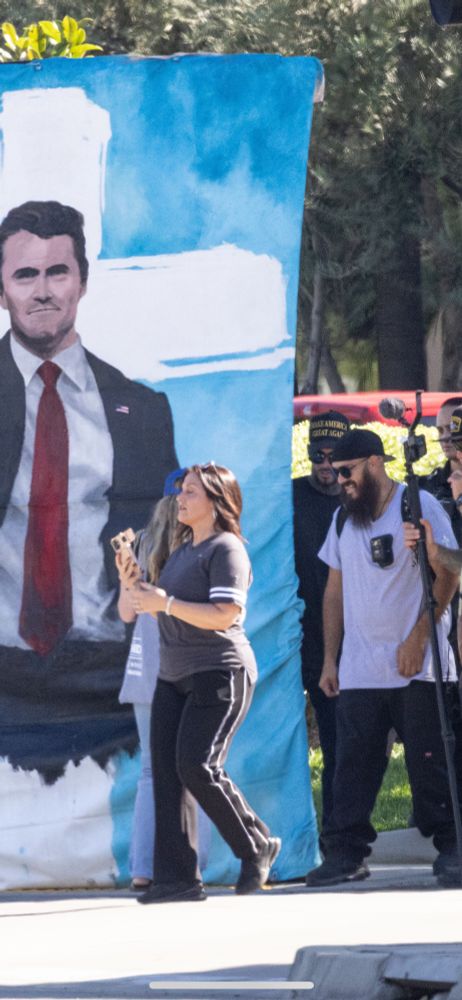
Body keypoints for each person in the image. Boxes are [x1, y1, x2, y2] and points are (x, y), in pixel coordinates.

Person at [0, 200, 178, 781]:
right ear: (2, 288)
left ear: (82, 281)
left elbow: (170, 537)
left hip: (110, 674)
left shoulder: (143, 410)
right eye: (25, 274)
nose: (43, 290)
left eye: (58, 271)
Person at [304, 429, 462, 889]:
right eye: (335, 473)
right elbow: (335, 590)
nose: (340, 480)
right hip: (360, 668)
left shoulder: (418, 506)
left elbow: (450, 573)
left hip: (420, 664)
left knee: (431, 765)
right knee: (353, 767)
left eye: (347, 471)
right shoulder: (341, 520)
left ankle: (452, 847)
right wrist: (331, 658)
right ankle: (346, 853)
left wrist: (419, 638)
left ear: (375, 463)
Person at [125, 463, 281, 903]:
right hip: (172, 675)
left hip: (219, 670)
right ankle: (176, 881)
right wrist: (134, 585)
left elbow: (224, 615)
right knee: (168, 777)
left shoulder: (227, 548)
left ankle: (255, 845)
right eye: (181, 491)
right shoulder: (181, 551)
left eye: (191, 492)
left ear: (217, 502)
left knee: (197, 765)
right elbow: (154, 608)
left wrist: (167, 602)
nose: (181, 498)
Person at [293, 410, 350, 825]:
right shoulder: (290, 495)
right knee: (309, 741)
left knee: (345, 742)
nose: (326, 466)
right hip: (298, 635)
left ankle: (340, 827)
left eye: (335, 457)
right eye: (318, 456)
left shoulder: (358, 502)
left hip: (349, 639)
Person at [420, 396, 462, 670]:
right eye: (441, 432)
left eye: (456, 439)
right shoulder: (430, 485)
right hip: (446, 609)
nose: (449, 444)